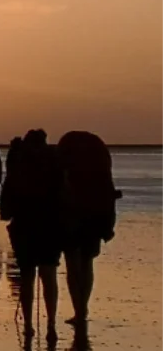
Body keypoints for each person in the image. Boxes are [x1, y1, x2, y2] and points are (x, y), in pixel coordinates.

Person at [0, 129, 62, 342]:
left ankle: (28, 325)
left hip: (24, 226)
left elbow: (6, 202)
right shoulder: (54, 163)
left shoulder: (19, 164)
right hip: (50, 226)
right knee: (49, 276)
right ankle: (51, 324)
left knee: (27, 278)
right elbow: (63, 194)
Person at [57, 131, 121, 328]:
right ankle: (82, 309)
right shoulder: (101, 170)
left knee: (73, 265)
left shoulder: (67, 166)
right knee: (86, 264)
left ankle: (79, 310)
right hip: (94, 218)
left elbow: (60, 188)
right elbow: (109, 197)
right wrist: (108, 225)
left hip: (72, 218)